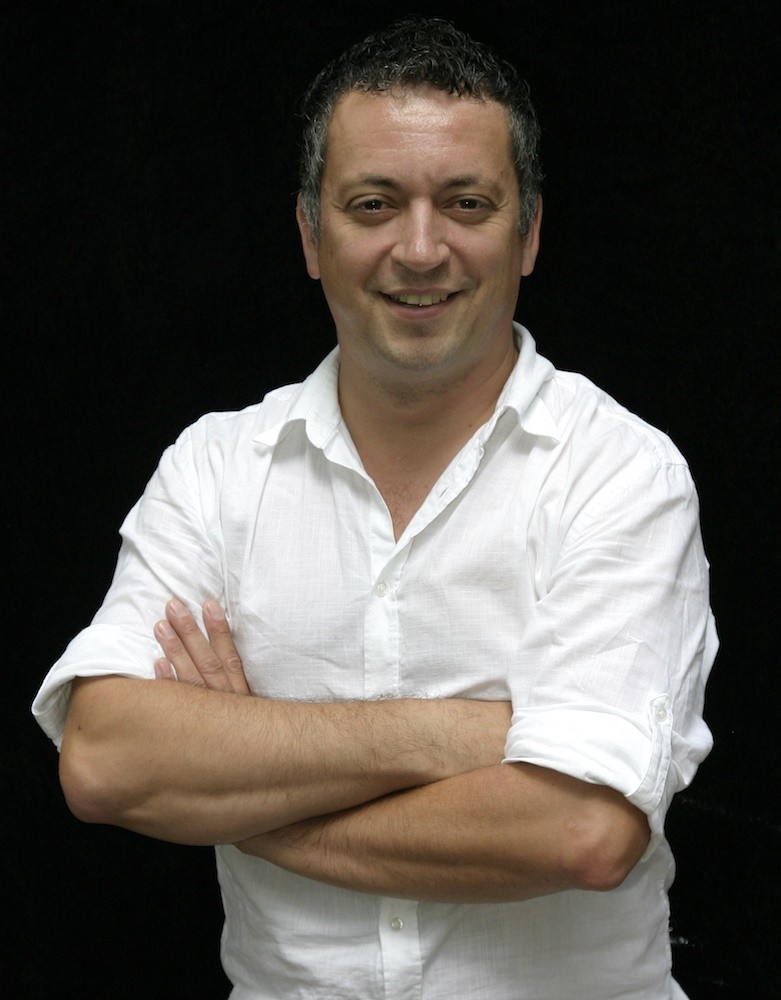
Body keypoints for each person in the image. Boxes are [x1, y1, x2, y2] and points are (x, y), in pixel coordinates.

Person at [33, 18, 717, 1000]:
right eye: (373, 204)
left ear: (528, 234)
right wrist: (463, 737)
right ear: (311, 235)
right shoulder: (215, 469)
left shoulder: (619, 473)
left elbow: (580, 830)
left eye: (467, 204)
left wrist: (245, 789)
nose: (421, 248)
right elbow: (105, 761)